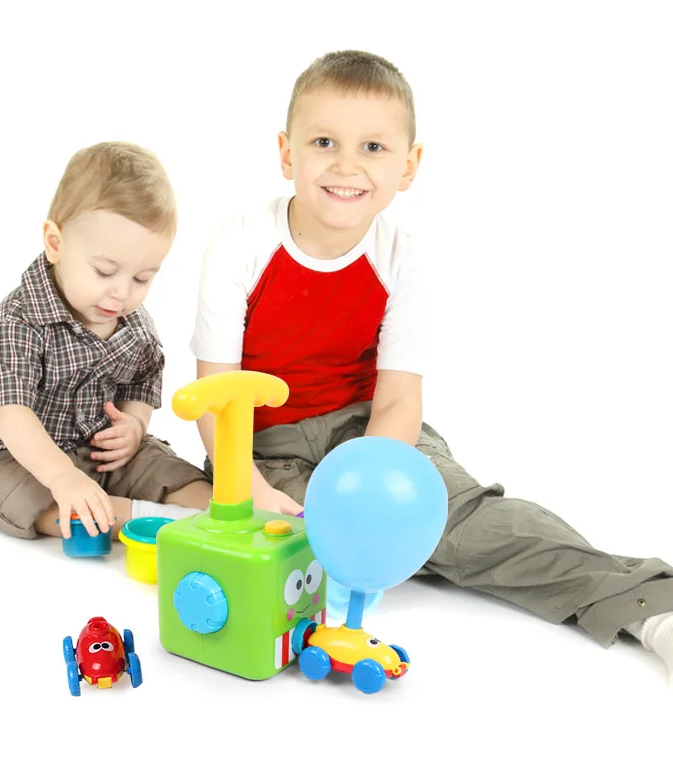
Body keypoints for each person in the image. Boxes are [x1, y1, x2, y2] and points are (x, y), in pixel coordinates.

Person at [188, 50, 673, 682]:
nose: (346, 166)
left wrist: (375, 492)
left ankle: (647, 607)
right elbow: (216, 397)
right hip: (260, 449)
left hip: (370, 430)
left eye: (373, 147)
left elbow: (397, 399)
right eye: (324, 142)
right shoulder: (239, 243)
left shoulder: (404, 256)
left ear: (409, 166)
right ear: (287, 153)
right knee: (302, 550)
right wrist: (250, 489)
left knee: (462, 523)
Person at [0, 141, 212, 542]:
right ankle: (149, 520)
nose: (121, 293)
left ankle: (217, 514)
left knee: (170, 469)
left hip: (98, 448)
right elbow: (11, 414)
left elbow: (142, 380)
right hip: (16, 453)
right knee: (27, 497)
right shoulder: (17, 322)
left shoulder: (133, 325)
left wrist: (134, 424)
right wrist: (62, 476)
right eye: (105, 271)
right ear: (56, 244)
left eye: (142, 278)